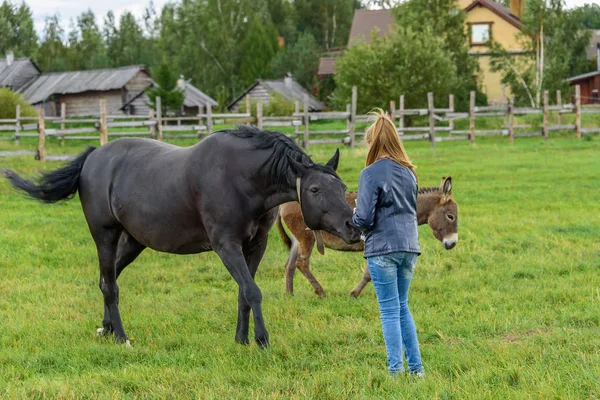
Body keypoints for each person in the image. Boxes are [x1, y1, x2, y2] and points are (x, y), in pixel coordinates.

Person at [352, 109, 424, 377]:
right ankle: (416, 371)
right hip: (410, 247)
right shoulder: (410, 173)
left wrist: (355, 214)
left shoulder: (370, 173)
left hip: (382, 249)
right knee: (403, 307)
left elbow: (364, 218)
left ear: (373, 142)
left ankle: (395, 373)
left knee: (389, 312)